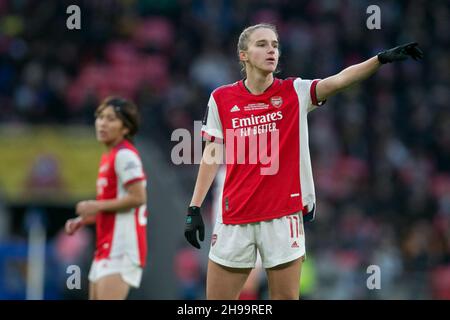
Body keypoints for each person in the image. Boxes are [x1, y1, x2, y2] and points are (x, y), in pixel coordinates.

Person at [184, 23, 422, 300]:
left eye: (274, 44)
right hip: (234, 217)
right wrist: (194, 207)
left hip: (282, 216)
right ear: (243, 55)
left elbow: (340, 80)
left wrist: (379, 60)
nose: (271, 50)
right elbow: (211, 154)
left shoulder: (294, 92)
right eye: (261, 44)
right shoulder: (221, 98)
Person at [65, 96, 148, 300]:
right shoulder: (108, 157)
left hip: (122, 248)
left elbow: (138, 197)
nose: (102, 123)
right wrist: (85, 219)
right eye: (100, 117)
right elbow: (112, 207)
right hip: (105, 247)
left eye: (111, 119)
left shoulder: (125, 155)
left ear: (125, 128)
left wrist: (95, 205)